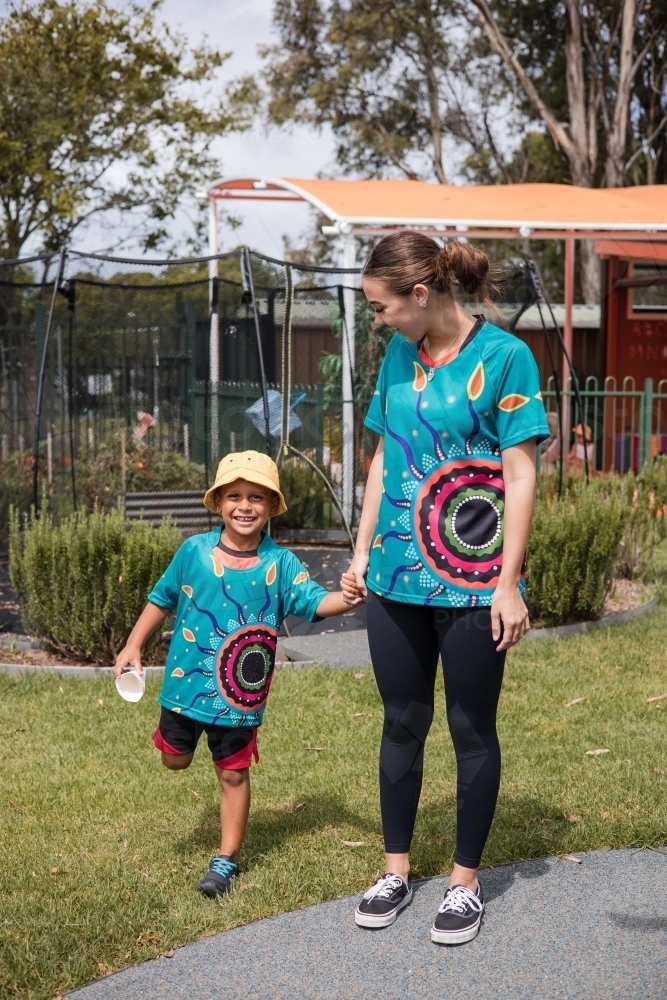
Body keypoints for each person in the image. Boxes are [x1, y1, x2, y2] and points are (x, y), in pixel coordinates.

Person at [347, 232, 549, 945]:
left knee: (469, 727)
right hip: (396, 577)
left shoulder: (504, 359)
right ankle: (395, 871)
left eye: (381, 308)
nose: (378, 320)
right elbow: (380, 457)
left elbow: (519, 474)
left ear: (420, 295)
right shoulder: (399, 356)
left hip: (471, 580)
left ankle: (464, 883)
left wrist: (507, 582)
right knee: (401, 719)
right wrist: (363, 550)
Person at [114, 450, 360, 898]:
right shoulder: (194, 552)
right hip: (183, 690)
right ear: (218, 502)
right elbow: (161, 597)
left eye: (256, 498)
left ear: (271, 506)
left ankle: (226, 860)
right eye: (234, 496)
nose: (245, 506)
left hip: (239, 698)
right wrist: (133, 644)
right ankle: (179, 743)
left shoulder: (281, 564)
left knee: (232, 774)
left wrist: (349, 597)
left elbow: (315, 603)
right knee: (175, 760)